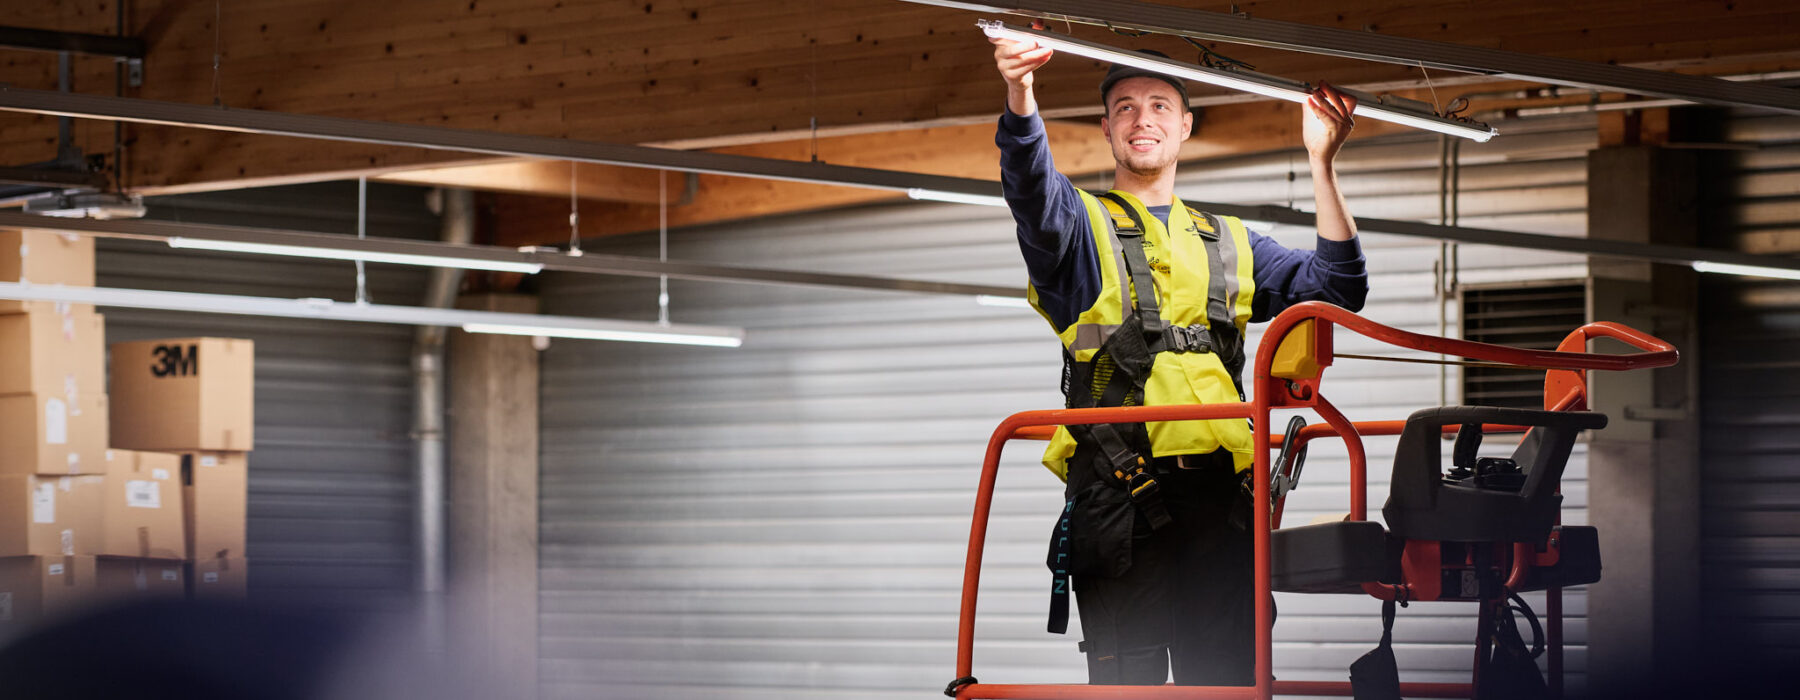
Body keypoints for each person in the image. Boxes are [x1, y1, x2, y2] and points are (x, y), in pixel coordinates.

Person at [990, 33, 1368, 687]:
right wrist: (1020, 95)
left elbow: (1339, 289)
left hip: (1226, 505)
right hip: (1120, 501)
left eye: (1160, 105)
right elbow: (1032, 195)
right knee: (1131, 686)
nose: (1144, 119)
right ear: (1107, 127)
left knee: (1227, 681)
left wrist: (1322, 161)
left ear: (1186, 125)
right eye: (1127, 107)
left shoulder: (1231, 242)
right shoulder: (1081, 230)